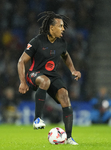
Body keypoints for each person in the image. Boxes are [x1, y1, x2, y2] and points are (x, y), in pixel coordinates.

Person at [17, 11, 81, 145]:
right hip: (34, 74)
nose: (63, 29)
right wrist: (23, 82)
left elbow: (66, 56)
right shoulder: (37, 41)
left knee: (64, 95)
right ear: (51, 28)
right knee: (44, 81)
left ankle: (69, 137)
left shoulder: (62, 43)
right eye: (61, 26)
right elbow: (21, 61)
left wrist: (73, 70)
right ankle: (37, 119)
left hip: (52, 76)